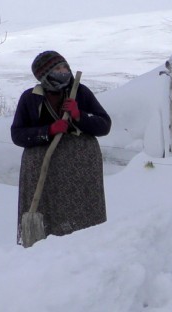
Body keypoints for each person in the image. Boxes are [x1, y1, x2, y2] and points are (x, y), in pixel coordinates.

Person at [11, 51, 112, 244]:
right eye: (57, 68)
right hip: (42, 169)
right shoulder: (30, 98)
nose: (64, 71)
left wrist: (79, 116)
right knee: (47, 212)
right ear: (44, 74)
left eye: (65, 67)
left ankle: (89, 246)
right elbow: (17, 134)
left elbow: (104, 125)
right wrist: (47, 130)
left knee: (81, 211)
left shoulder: (80, 92)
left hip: (80, 169)